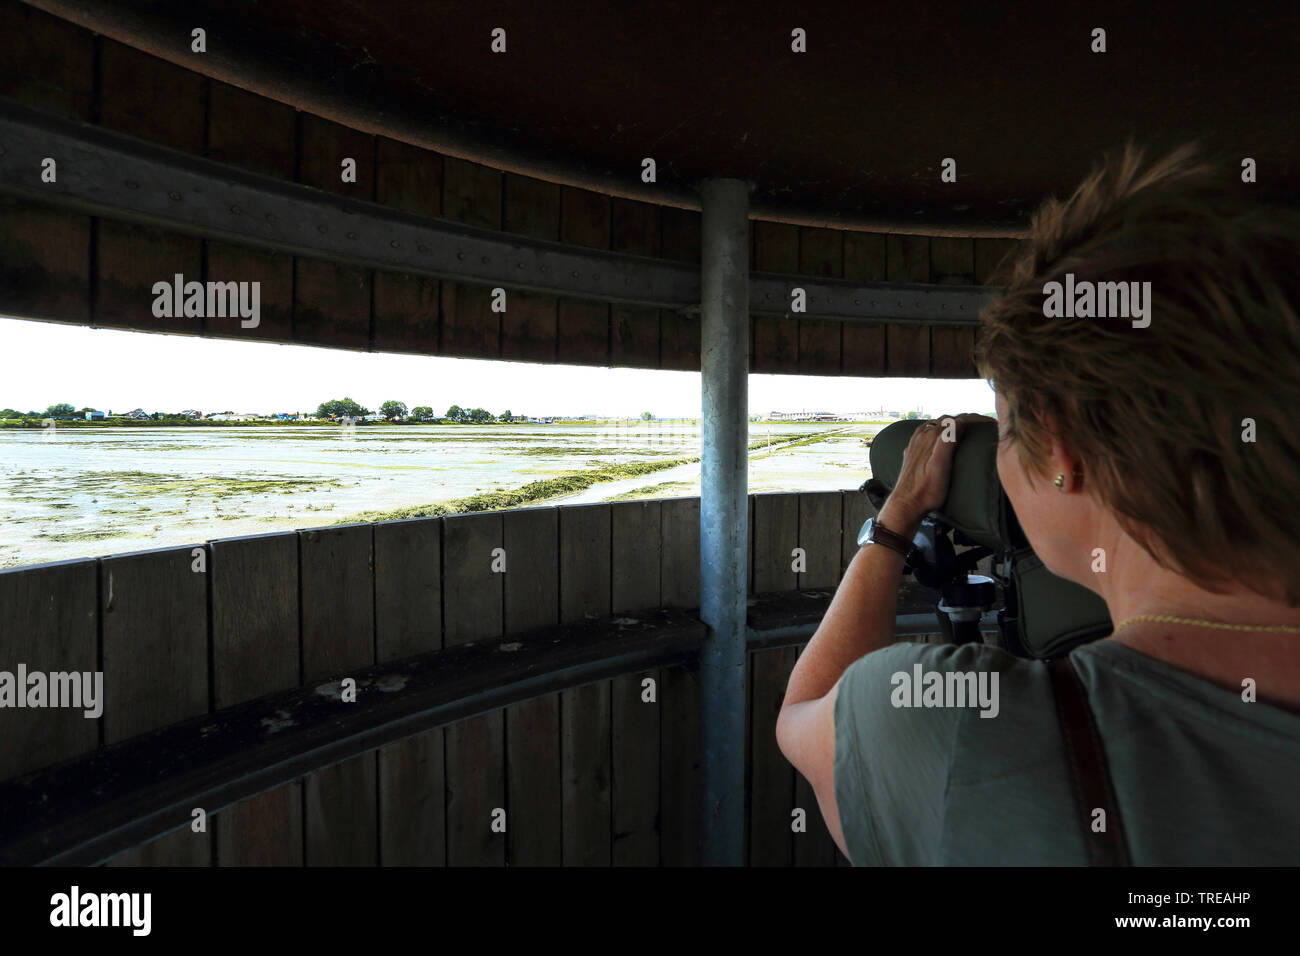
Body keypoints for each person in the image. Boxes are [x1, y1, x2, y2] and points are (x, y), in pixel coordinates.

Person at [775, 142, 1300, 864]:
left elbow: (803, 715)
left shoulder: (960, 731)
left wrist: (895, 522)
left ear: (1060, 451)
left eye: (1009, 431)